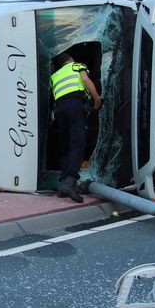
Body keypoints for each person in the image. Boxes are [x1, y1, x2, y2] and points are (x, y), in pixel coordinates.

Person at [50, 52, 102, 203]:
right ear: (70, 59)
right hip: (75, 105)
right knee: (78, 143)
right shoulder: (76, 66)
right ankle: (70, 181)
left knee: (66, 145)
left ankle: (63, 183)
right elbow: (85, 80)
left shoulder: (55, 76)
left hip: (60, 109)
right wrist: (97, 100)